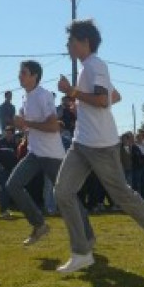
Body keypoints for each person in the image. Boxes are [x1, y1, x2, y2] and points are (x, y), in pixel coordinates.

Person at [54, 19, 144, 273]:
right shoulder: (90, 67)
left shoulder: (96, 65)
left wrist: (73, 93)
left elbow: (102, 100)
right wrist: (82, 103)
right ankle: (82, 252)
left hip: (102, 145)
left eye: (71, 41)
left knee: (122, 196)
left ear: (84, 42)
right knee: (63, 192)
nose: (67, 45)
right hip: (80, 142)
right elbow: (113, 96)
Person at [6, 60, 95, 247]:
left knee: (67, 195)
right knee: (12, 185)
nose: (19, 76)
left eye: (23, 72)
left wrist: (27, 123)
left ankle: (88, 236)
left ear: (34, 76)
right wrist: (20, 124)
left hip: (52, 156)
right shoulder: (25, 97)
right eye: (20, 72)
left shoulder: (43, 95)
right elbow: (28, 126)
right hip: (34, 154)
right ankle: (39, 225)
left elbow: (54, 126)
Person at [0, 126, 19, 218]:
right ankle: (3, 211)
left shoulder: (14, 144)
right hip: (2, 170)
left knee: (8, 189)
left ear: (13, 134)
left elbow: (16, 156)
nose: (8, 134)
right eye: (7, 132)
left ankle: (6, 209)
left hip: (12, 169)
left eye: (10, 132)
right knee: (4, 189)